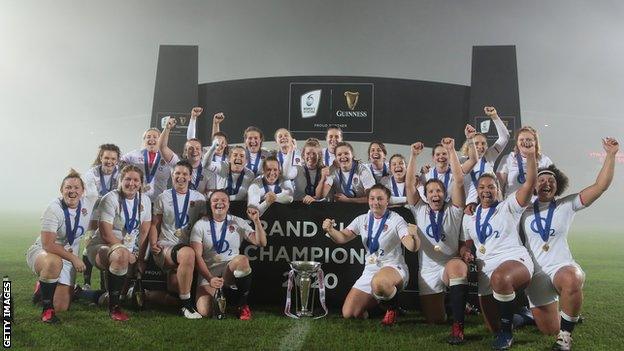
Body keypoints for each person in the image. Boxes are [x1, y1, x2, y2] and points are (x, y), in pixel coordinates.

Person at [522, 137, 618, 351]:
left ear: (558, 186)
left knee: (572, 278)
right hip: (536, 274)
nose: (546, 183)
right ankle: (552, 315)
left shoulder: (566, 204)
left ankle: (565, 337)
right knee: (547, 329)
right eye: (542, 180)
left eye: (551, 181)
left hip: (561, 266)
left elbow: (600, 187)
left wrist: (610, 155)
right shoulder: (522, 209)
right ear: (534, 186)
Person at [460, 138, 538, 350]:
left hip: (514, 260)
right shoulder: (470, 216)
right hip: (486, 267)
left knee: (501, 278)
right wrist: (466, 252)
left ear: (497, 189)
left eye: (491, 187)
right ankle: (522, 316)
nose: (486, 190)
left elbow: (530, 184)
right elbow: (466, 244)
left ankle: (507, 333)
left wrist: (530, 156)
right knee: (492, 326)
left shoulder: (509, 206)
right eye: (482, 187)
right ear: (476, 190)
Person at [405, 138, 473, 344]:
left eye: (439, 191)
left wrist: (451, 151)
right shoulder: (419, 209)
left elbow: (459, 181)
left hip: (448, 264)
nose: (435, 194)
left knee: (458, 269)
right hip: (427, 269)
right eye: (431, 191)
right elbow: (409, 184)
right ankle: (454, 305)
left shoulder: (453, 209)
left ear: (445, 194)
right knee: (435, 320)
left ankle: (458, 327)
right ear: (425, 196)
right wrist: (413, 156)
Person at [322, 184, 420, 326]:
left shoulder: (396, 219)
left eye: (380, 199)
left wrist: (414, 237)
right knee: (350, 313)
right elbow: (342, 237)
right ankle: (383, 307)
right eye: (372, 198)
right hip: (371, 269)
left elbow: (411, 247)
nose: (376, 202)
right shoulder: (362, 219)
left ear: (387, 201)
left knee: (379, 283)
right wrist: (330, 230)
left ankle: (392, 309)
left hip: (393, 267)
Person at [26, 170, 97, 323]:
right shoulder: (53, 208)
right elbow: (48, 244)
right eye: (68, 188)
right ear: (61, 190)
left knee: (62, 306)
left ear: (83, 191)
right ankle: (47, 309)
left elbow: (93, 179)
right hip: (45, 252)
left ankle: (43, 288)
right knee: (54, 263)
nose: (72, 191)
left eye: (77, 187)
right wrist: (74, 258)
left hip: (66, 255)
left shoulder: (89, 201)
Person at [85, 165, 152, 321]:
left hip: (126, 251)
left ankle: (80, 293)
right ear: (120, 181)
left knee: (116, 295)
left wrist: (140, 258)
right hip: (101, 247)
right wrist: (127, 252)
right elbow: (106, 234)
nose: (131, 183)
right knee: (121, 254)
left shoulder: (146, 201)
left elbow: (143, 233)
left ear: (141, 183)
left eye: (136, 180)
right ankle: (115, 309)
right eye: (127, 179)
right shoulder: (110, 198)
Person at [191, 190, 267, 319]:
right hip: (209, 274)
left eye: (223, 200)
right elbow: (197, 256)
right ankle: (226, 299)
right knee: (206, 311)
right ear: (210, 204)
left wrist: (256, 221)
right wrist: (210, 278)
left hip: (229, 271)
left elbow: (261, 242)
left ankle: (242, 305)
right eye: (215, 200)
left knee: (242, 260)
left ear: (228, 204)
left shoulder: (237, 222)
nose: (219, 203)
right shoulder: (200, 225)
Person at [149, 160, 207, 319]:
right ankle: (187, 307)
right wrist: (153, 244)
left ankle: (143, 294)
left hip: (188, 250)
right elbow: (155, 224)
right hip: (166, 247)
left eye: (185, 174)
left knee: (175, 292)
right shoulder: (163, 197)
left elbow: (204, 226)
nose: (181, 177)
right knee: (187, 253)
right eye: (177, 173)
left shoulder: (199, 198)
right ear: (172, 175)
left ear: (190, 177)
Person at [82, 143, 122, 289]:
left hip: (112, 214)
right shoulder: (91, 174)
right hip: (94, 213)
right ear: (101, 157)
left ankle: (104, 285)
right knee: (88, 246)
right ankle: (86, 283)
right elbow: (92, 196)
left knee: (107, 247)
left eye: (113, 158)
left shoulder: (120, 173)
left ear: (117, 160)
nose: (109, 161)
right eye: (106, 158)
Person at [460, 106, 510, 206]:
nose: (480, 146)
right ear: (468, 145)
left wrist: (494, 116)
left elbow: (505, 137)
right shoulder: (461, 162)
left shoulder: (489, 156)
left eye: (483, 143)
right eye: (476, 143)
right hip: (471, 207)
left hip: (494, 204)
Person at [419, 125, 478, 202]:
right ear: (433, 158)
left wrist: (470, 139)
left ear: (449, 156)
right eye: (438, 154)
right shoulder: (426, 174)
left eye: (444, 154)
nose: (441, 156)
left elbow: (473, 160)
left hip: (451, 210)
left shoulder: (457, 171)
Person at [158, 116, 215, 194]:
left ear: (202, 152)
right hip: (177, 203)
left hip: (198, 204)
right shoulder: (177, 163)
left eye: (197, 148)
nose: (194, 151)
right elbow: (162, 147)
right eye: (190, 148)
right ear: (185, 152)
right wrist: (167, 128)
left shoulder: (208, 170)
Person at [497, 126, 552, 197]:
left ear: (535, 142)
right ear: (517, 142)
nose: (525, 142)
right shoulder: (508, 158)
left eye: (528, 139)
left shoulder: (545, 160)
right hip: (512, 203)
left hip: (537, 204)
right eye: (521, 140)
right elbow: (498, 185)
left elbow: (552, 184)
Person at [120, 127, 171, 202]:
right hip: (137, 200)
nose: (151, 139)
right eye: (148, 137)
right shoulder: (135, 154)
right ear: (144, 140)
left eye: (155, 137)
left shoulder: (167, 156)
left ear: (160, 140)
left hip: (159, 201)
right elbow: (118, 162)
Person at [282, 138, 325, 203]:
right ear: (303, 155)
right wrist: (291, 151)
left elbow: (329, 197)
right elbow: (285, 175)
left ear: (319, 155)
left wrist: (316, 201)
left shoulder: (324, 171)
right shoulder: (298, 169)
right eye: (308, 153)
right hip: (298, 208)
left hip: (318, 208)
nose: (311, 156)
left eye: (314, 153)